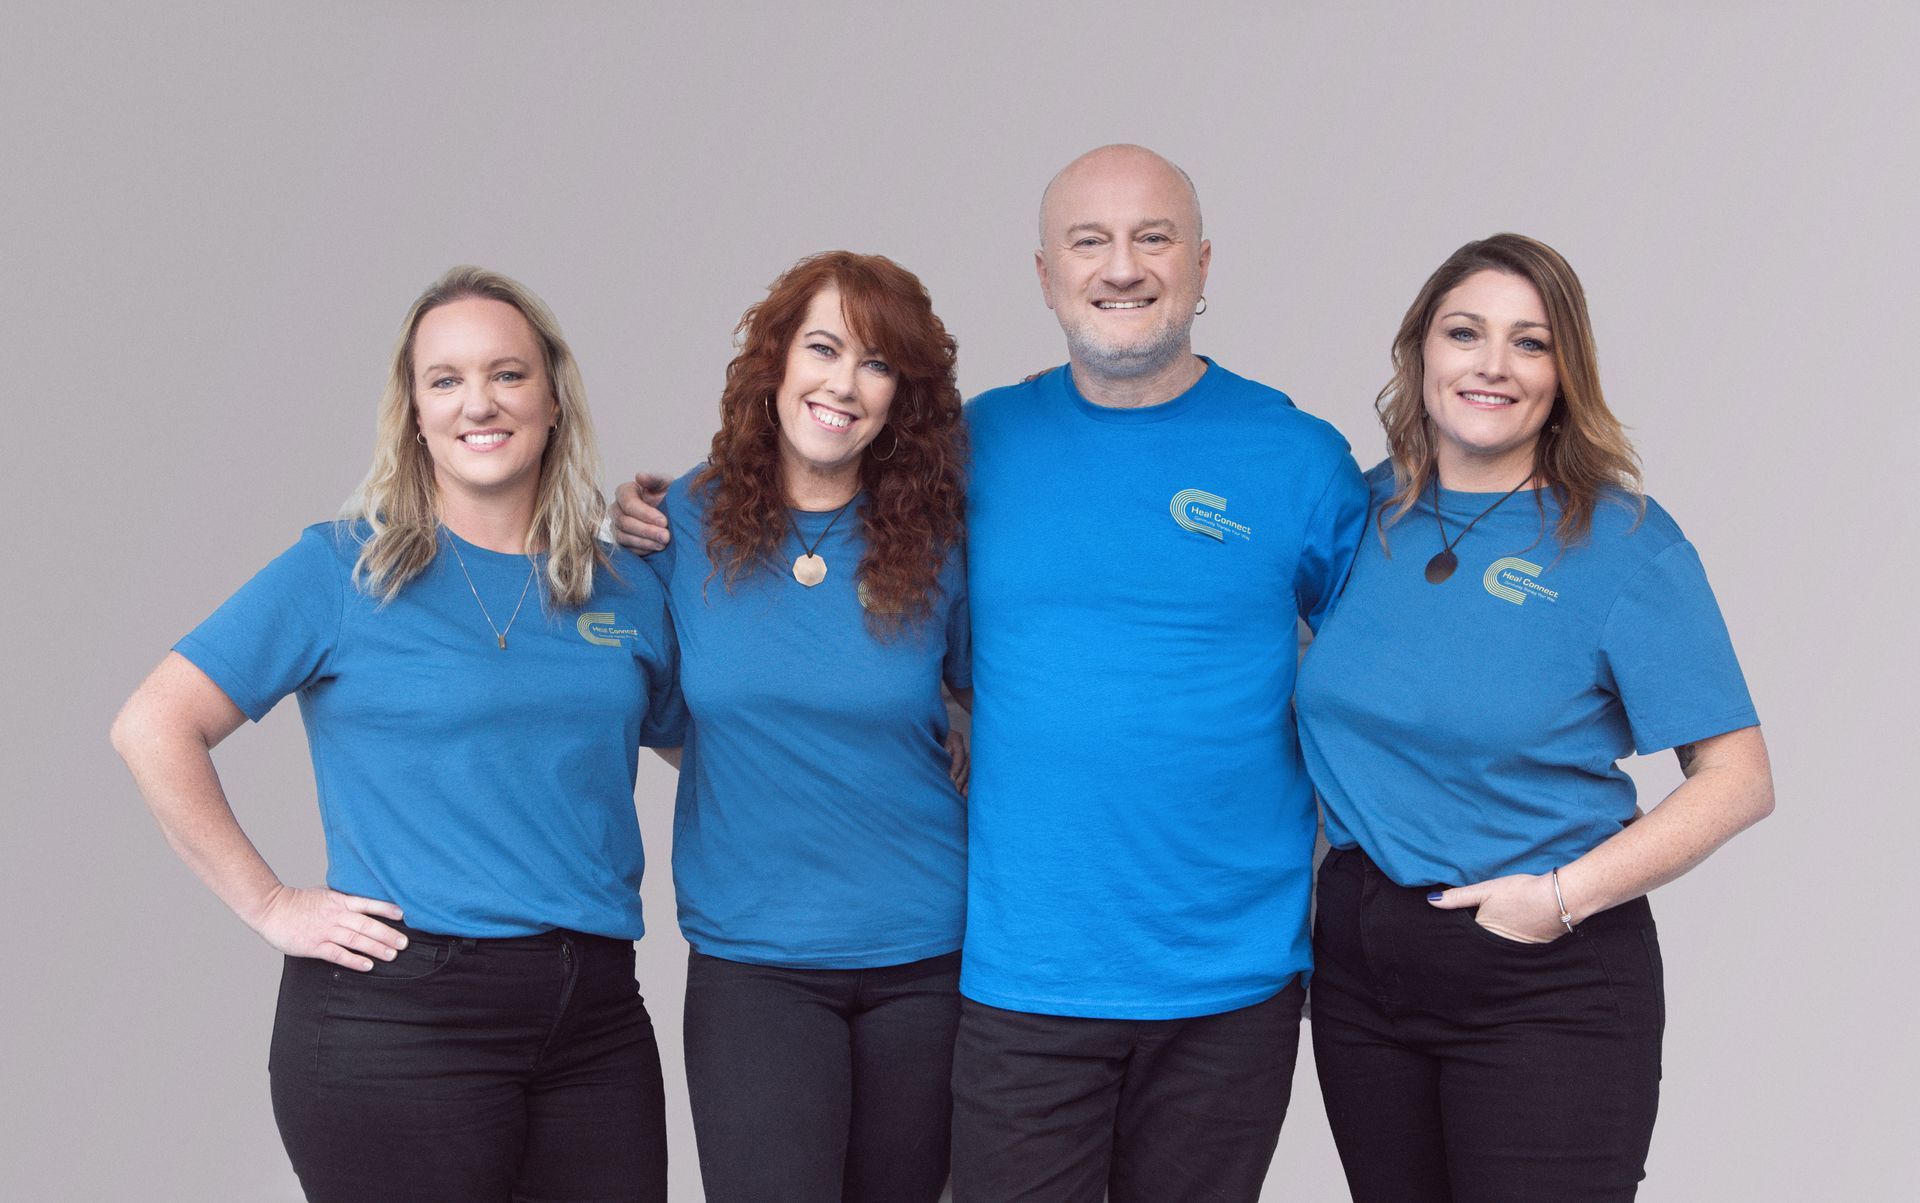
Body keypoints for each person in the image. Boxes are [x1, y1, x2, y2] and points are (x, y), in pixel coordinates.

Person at [613, 143, 1370, 1202]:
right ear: (1045, 273)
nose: (1121, 266)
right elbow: (798, 554)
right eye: (1088, 241)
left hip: (1225, 970)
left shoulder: (1298, 457)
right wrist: (647, 513)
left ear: (1201, 263)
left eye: (1151, 238)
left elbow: (1388, 666)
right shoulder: (983, 448)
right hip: (1021, 971)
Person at [110, 266, 681, 1203]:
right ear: (414, 413)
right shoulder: (342, 567)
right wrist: (268, 904)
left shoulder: (622, 587)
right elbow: (152, 725)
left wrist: (937, 720)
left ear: (552, 401)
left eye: (507, 373)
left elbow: (721, 742)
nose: (479, 402)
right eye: (445, 380)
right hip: (404, 1020)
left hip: (596, 1016)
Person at [1295, 233, 1774, 1202]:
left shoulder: (1623, 543)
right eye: (1465, 332)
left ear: (1565, 372)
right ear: (1419, 351)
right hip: (1360, 963)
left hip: (1543, 976)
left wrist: (1554, 904)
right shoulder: (1361, 517)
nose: (1492, 366)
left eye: (1531, 342)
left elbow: (1739, 779)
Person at [644, 251, 971, 1202]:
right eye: (823, 348)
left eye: (877, 365)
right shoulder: (679, 525)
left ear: (901, 397)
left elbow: (996, 690)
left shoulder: (941, 533)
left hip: (928, 956)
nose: (843, 383)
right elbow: (659, 711)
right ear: (776, 363)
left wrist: (958, 730)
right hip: (756, 964)